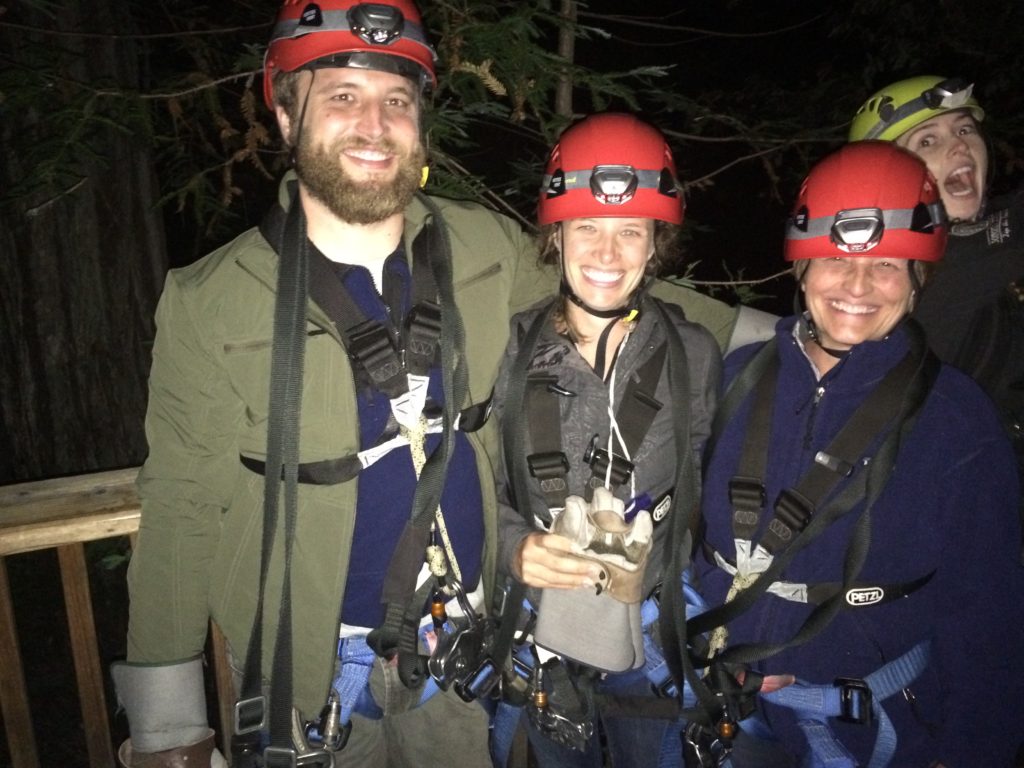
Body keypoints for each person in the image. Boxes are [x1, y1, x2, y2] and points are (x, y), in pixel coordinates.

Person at [109, 2, 760, 767]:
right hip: (311, 680)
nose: (374, 122)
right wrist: (166, 731)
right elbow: (182, 505)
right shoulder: (213, 298)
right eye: (341, 96)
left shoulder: (481, 247)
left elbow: (609, 288)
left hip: (459, 665)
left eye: (397, 100)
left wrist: (803, 331)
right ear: (287, 115)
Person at [690, 141, 1024, 766]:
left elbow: (990, 620)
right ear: (802, 265)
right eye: (835, 258)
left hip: (867, 730)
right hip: (728, 713)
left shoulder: (954, 420)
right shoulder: (735, 379)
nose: (858, 285)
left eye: (890, 264)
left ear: (919, 280)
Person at [488, 113, 721, 768]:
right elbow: (471, 481)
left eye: (630, 231)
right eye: (586, 226)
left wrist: (671, 567)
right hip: (540, 634)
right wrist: (511, 546)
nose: (607, 253)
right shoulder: (506, 350)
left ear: (656, 244)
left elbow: (706, 487)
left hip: (647, 634)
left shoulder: (692, 356)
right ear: (556, 236)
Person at [850, 77, 1024, 557]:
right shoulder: (885, 280)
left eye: (965, 130)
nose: (959, 146)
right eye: (928, 141)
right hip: (936, 540)